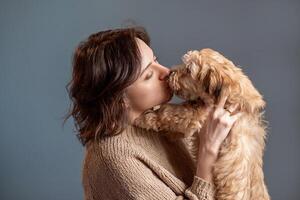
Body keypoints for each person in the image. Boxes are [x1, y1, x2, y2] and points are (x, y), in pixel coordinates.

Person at [64, 26, 242, 200]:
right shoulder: (113, 158)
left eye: (156, 60)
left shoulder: (161, 120)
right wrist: (209, 150)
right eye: (148, 74)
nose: (166, 71)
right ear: (119, 99)